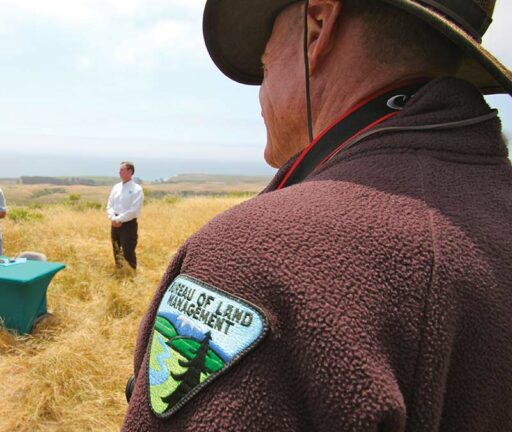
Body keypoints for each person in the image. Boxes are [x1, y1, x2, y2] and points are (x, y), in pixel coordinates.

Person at [123, 0, 512, 430]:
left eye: (265, 64)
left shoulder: (257, 258)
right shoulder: (491, 206)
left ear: (318, 28)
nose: (260, 93)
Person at [107, 161, 144, 270]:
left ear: (130, 171)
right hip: (114, 223)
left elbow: (134, 210)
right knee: (116, 249)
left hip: (128, 224)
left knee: (128, 251)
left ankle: (131, 275)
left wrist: (119, 219)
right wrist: (113, 218)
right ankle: (119, 273)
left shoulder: (137, 189)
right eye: (120, 170)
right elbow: (109, 204)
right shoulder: (116, 187)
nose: (119, 172)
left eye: (122, 170)